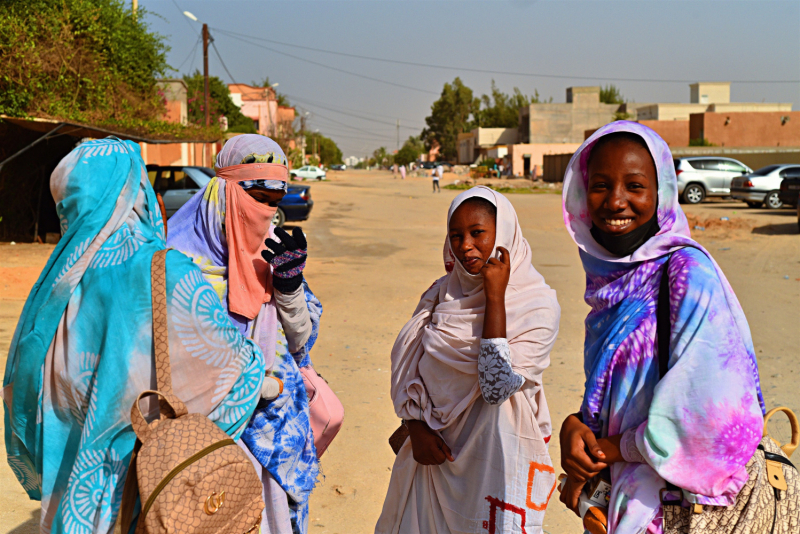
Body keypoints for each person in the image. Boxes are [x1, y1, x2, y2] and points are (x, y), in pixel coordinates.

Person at [2, 138, 265, 533]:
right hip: (147, 496)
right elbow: (233, 367)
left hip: (75, 505)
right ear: (137, 191)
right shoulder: (164, 270)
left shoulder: (55, 289)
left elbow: (26, 399)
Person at [558, 122, 764, 533]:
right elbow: (617, 394)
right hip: (621, 505)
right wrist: (576, 426)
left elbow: (714, 420)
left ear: (662, 194)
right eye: (600, 185)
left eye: (634, 186)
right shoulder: (608, 283)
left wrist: (612, 448)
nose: (616, 202)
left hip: (679, 514)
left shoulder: (687, 274)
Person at [376, 186, 561, 533]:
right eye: (456, 235)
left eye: (478, 233)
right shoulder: (441, 294)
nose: (465, 246)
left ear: (503, 233)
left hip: (496, 459)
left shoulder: (536, 305)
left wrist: (495, 298)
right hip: (435, 458)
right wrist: (414, 426)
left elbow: (496, 387)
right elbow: (406, 366)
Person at [166, 134, 322, 534]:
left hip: (270, 443)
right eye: (257, 198)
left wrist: (289, 287)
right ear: (224, 190)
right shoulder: (175, 264)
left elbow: (300, 342)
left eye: (275, 203)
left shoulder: (273, 253)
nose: (266, 214)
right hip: (202, 443)